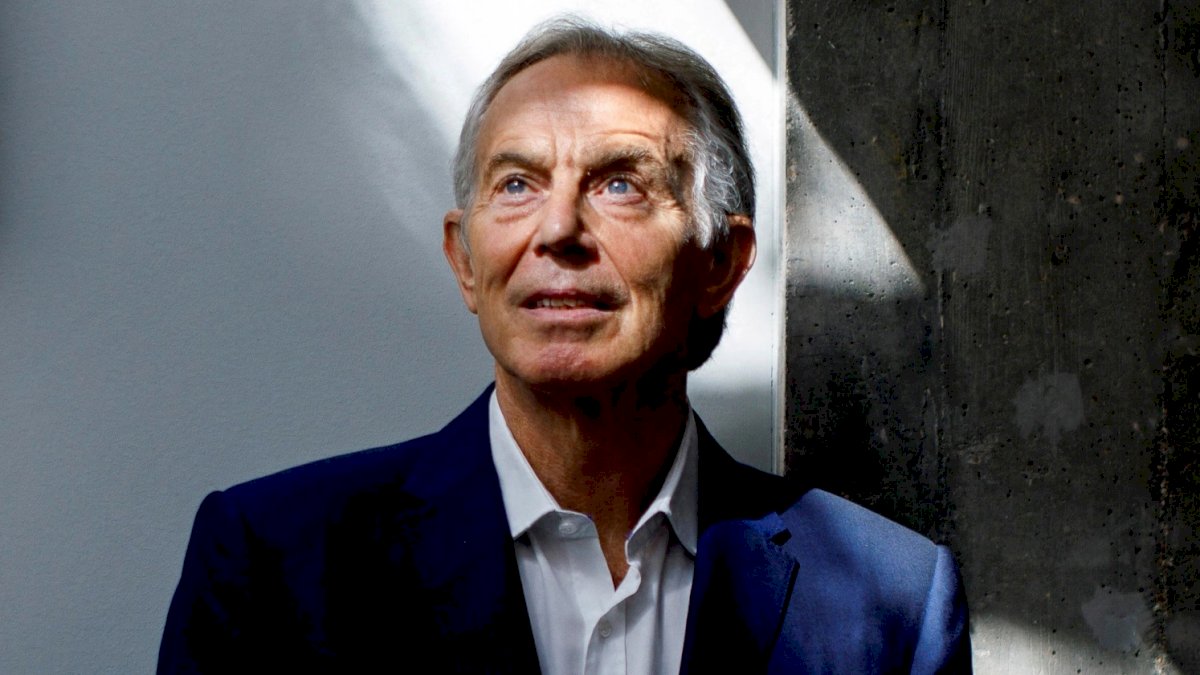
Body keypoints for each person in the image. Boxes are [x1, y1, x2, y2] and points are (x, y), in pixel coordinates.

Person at [158, 17, 971, 674]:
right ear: (464, 261)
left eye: (620, 183)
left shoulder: (892, 603)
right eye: (517, 184)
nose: (557, 230)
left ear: (721, 262)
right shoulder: (274, 565)